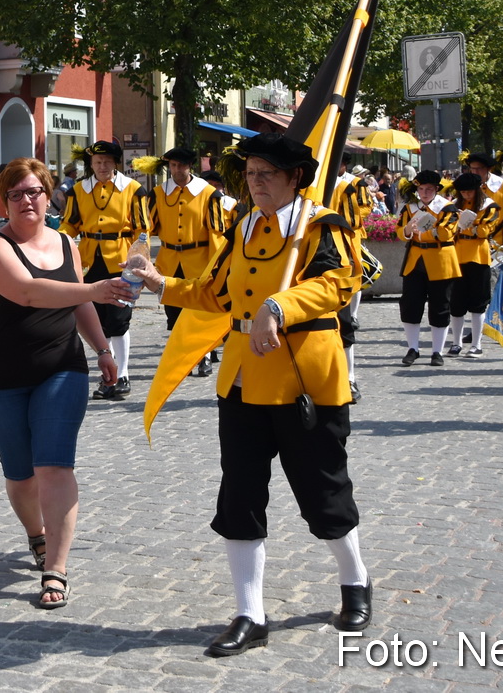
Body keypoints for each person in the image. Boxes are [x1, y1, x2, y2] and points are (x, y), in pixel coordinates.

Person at [128, 133, 370, 656]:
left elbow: (339, 282)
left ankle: (355, 581)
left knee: (323, 490)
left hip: (304, 380)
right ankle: (249, 613)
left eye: (267, 174)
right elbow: (213, 292)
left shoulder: (322, 225)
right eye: (251, 174)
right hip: (240, 381)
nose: (256, 183)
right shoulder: (241, 228)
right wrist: (159, 282)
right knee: (240, 495)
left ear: (294, 179)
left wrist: (280, 306)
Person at [0, 158, 127, 611]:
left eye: (35, 191)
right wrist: (95, 290)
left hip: (62, 369)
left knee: (54, 466)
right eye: (16, 193)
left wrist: (101, 349)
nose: (26, 200)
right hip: (0, 378)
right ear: (3, 200)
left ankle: (56, 568)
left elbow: (77, 303)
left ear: (49, 194)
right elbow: (28, 292)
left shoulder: (66, 244)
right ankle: (35, 534)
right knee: (21, 475)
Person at [61, 140, 147, 401]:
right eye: (97, 162)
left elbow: (142, 229)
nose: (102, 166)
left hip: (121, 261)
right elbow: (69, 225)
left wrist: (138, 260)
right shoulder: (78, 190)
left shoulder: (133, 189)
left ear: (115, 163)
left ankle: (123, 375)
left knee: (119, 321)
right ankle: (108, 376)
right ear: (90, 164)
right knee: (97, 321)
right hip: (89, 261)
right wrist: (58, 244)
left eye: (107, 162)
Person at [140, 147, 230, 379]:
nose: (176, 170)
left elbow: (216, 232)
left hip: (199, 259)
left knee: (199, 311)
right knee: (174, 313)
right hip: (169, 260)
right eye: (172, 166)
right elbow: (147, 227)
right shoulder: (158, 193)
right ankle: (183, 357)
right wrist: (143, 255)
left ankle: (205, 358)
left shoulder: (209, 194)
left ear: (191, 167)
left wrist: (216, 265)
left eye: (181, 165)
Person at [396, 169, 459, 367]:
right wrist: (407, 230)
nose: (424, 193)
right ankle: (412, 348)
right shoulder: (410, 208)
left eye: (429, 189)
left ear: (437, 190)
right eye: (421, 189)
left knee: (440, 306)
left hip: (441, 260)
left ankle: (437, 351)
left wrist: (424, 232)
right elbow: (400, 230)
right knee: (410, 304)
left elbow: (447, 233)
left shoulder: (447, 208)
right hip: (415, 260)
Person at [443, 173, 502, 358]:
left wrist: (466, 227)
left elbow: (484, 231)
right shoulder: (454, 205)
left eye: (469, 192)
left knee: (478, 303)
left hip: (478, 257)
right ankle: (456, 343)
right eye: (463, 192)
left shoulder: (489, 205)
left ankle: (477, 344)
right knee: (456, 303)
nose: (466, 195)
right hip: (457, 256)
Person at [329, 161, 374, 396]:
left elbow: (360, 213)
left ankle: (349, 378)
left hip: (341, 251)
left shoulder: (350, 186)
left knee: (344, 321)